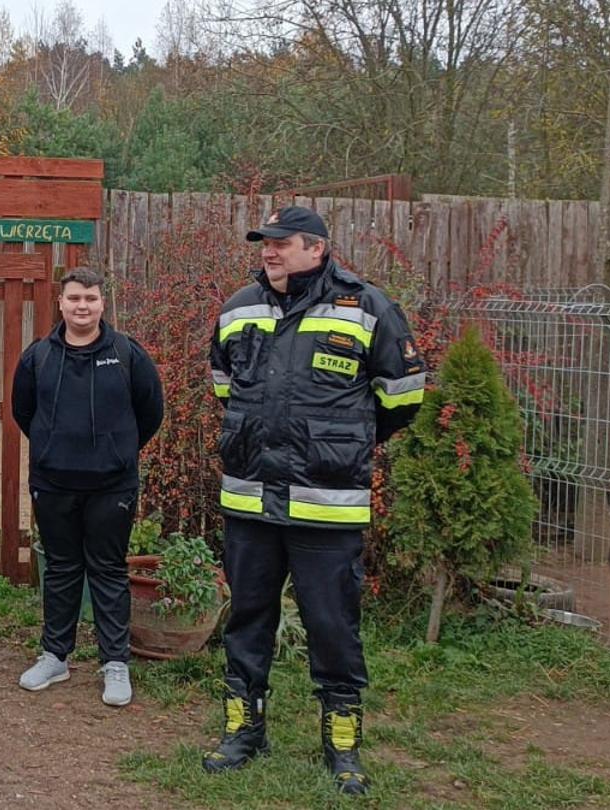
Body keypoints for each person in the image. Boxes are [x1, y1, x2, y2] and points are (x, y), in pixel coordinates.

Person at [202, 206, 424, 795]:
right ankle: (243, 731)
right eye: (264, 243)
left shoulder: (367, 307)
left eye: (281, 242)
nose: (269, 251)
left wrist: (342, 441)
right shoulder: (239, 308)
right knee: (248, 619)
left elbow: (402, 397)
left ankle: (342, 744)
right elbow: (225, 386)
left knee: (332, 626)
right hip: (250, 500)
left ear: (317, 248)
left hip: (327, 504)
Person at [11, 268, 164, 707]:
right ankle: (55, 656)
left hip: (112, 486)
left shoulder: (127, 354)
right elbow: (24, 412)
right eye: (75, 298)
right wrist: (53, 449)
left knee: (108, 570)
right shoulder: (38, 357)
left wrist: (117, 453)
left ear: (102, 303)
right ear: (60, 303)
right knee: (60, 569)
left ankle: (115, 663)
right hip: (53, 482)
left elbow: (150, 412)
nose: (83, 306)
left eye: (90, 298)